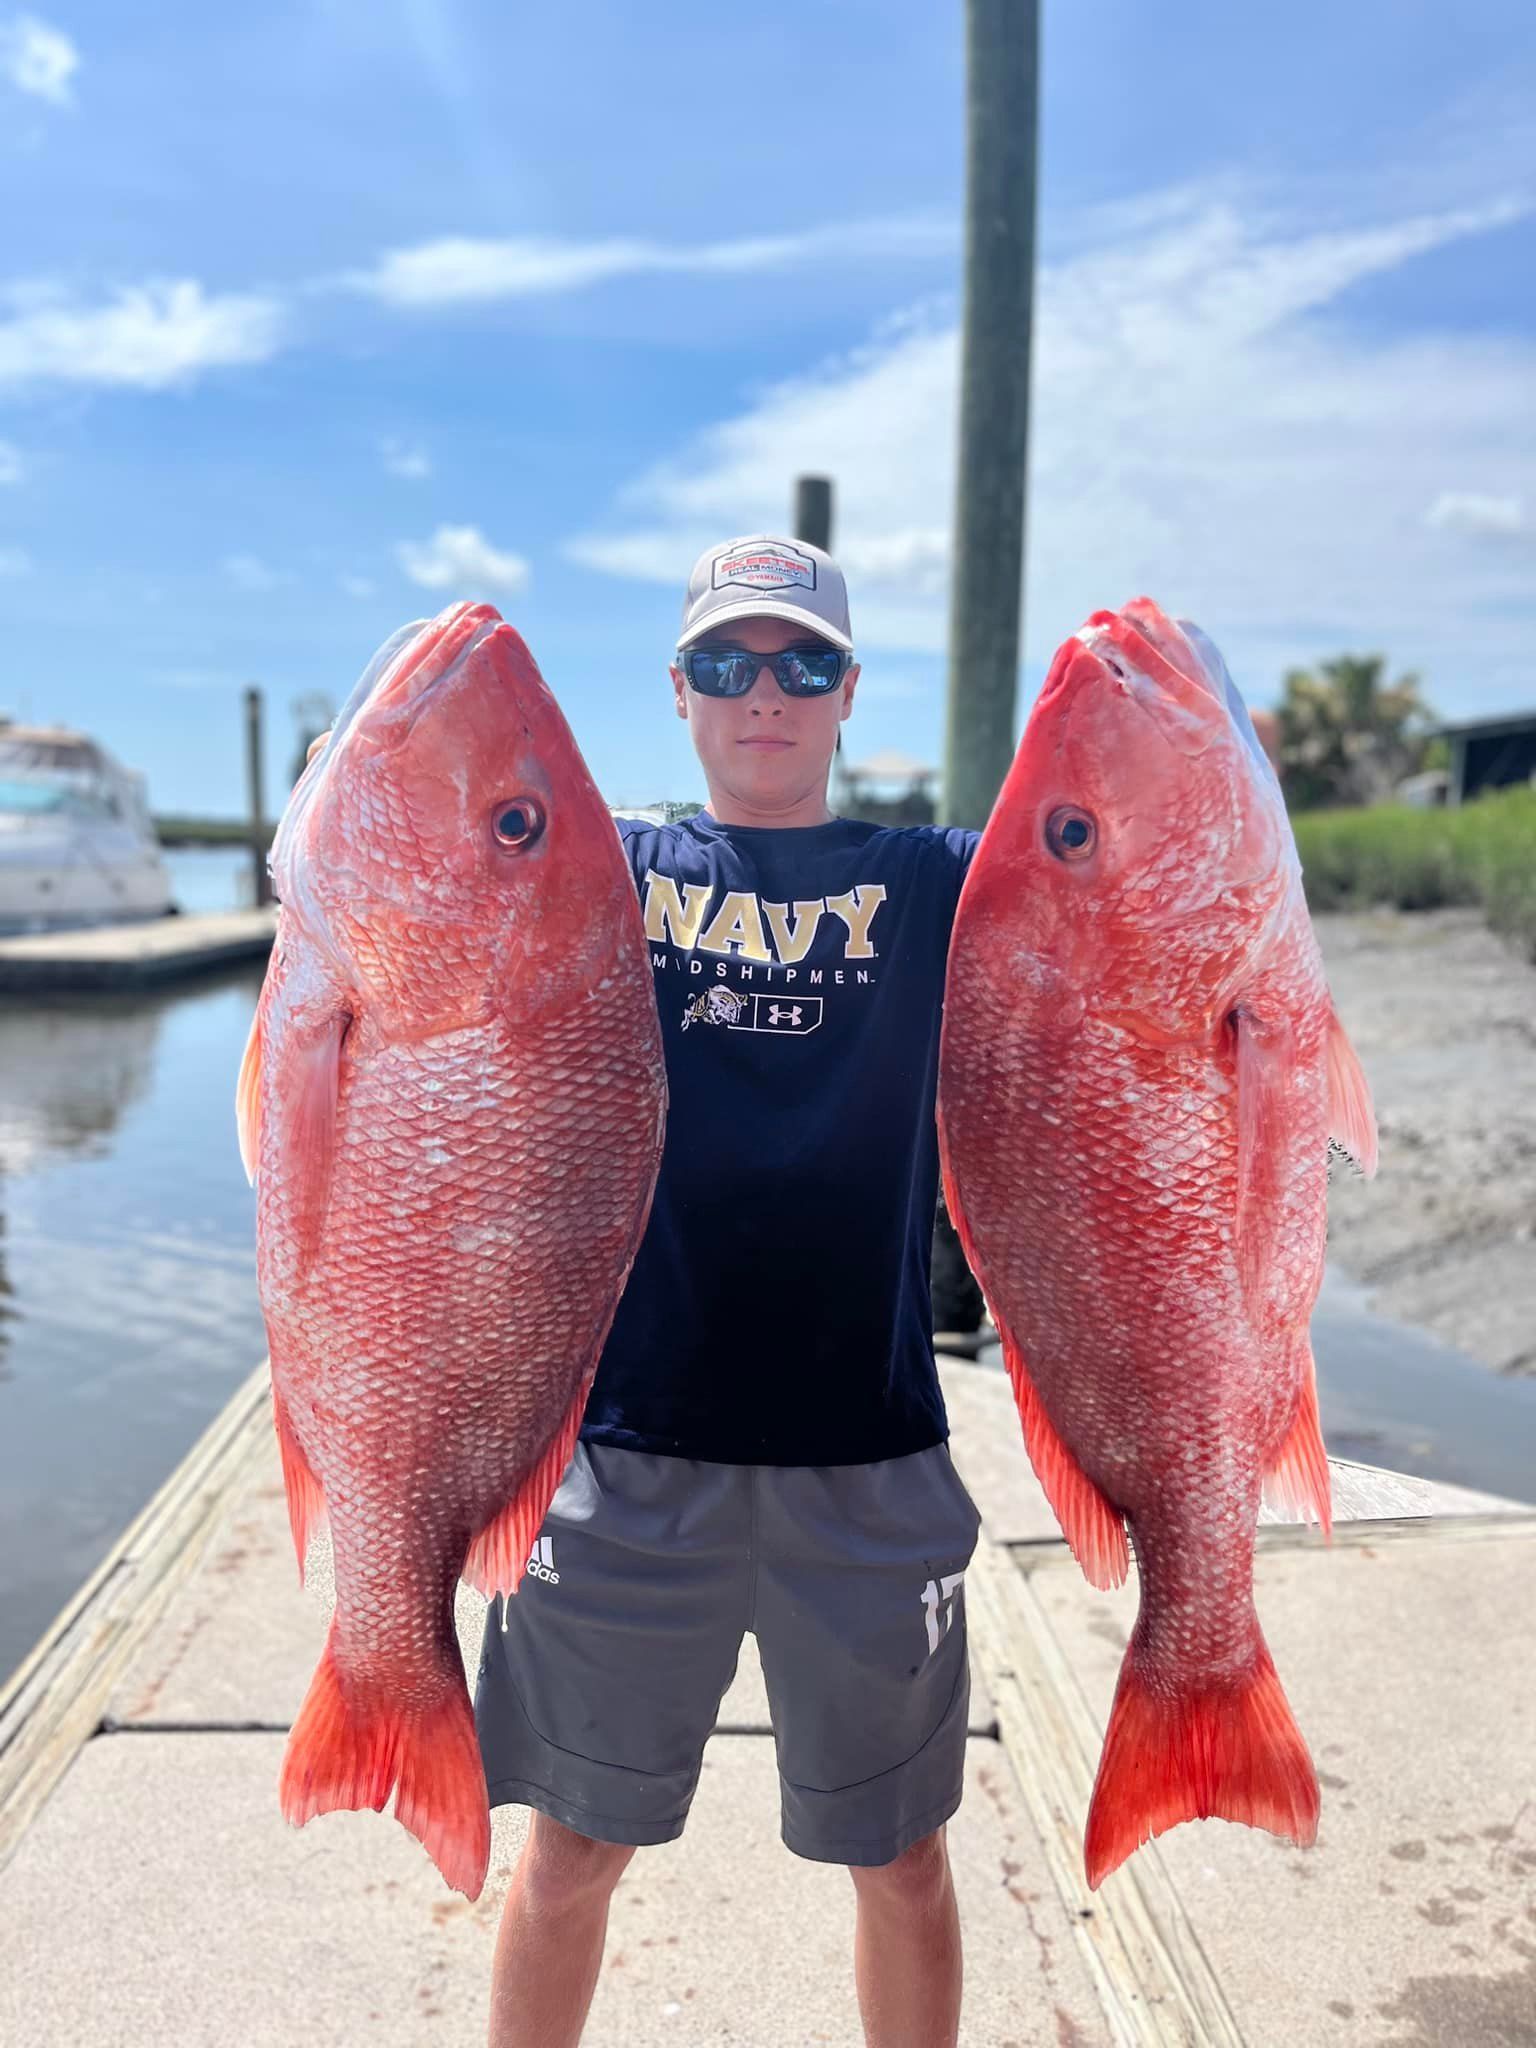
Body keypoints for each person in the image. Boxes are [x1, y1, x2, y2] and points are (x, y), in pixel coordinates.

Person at [314, 536, 984, 2047]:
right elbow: (431, 850)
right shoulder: (601, 866)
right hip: (619, 1457)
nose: (768, 692)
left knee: (904, 1862)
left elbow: (1112, 887)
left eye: (803, 663)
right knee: (568, 1858)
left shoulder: (929, 880)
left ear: (848, 693)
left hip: (870, 1459)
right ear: (678, 694)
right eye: (731, 664)